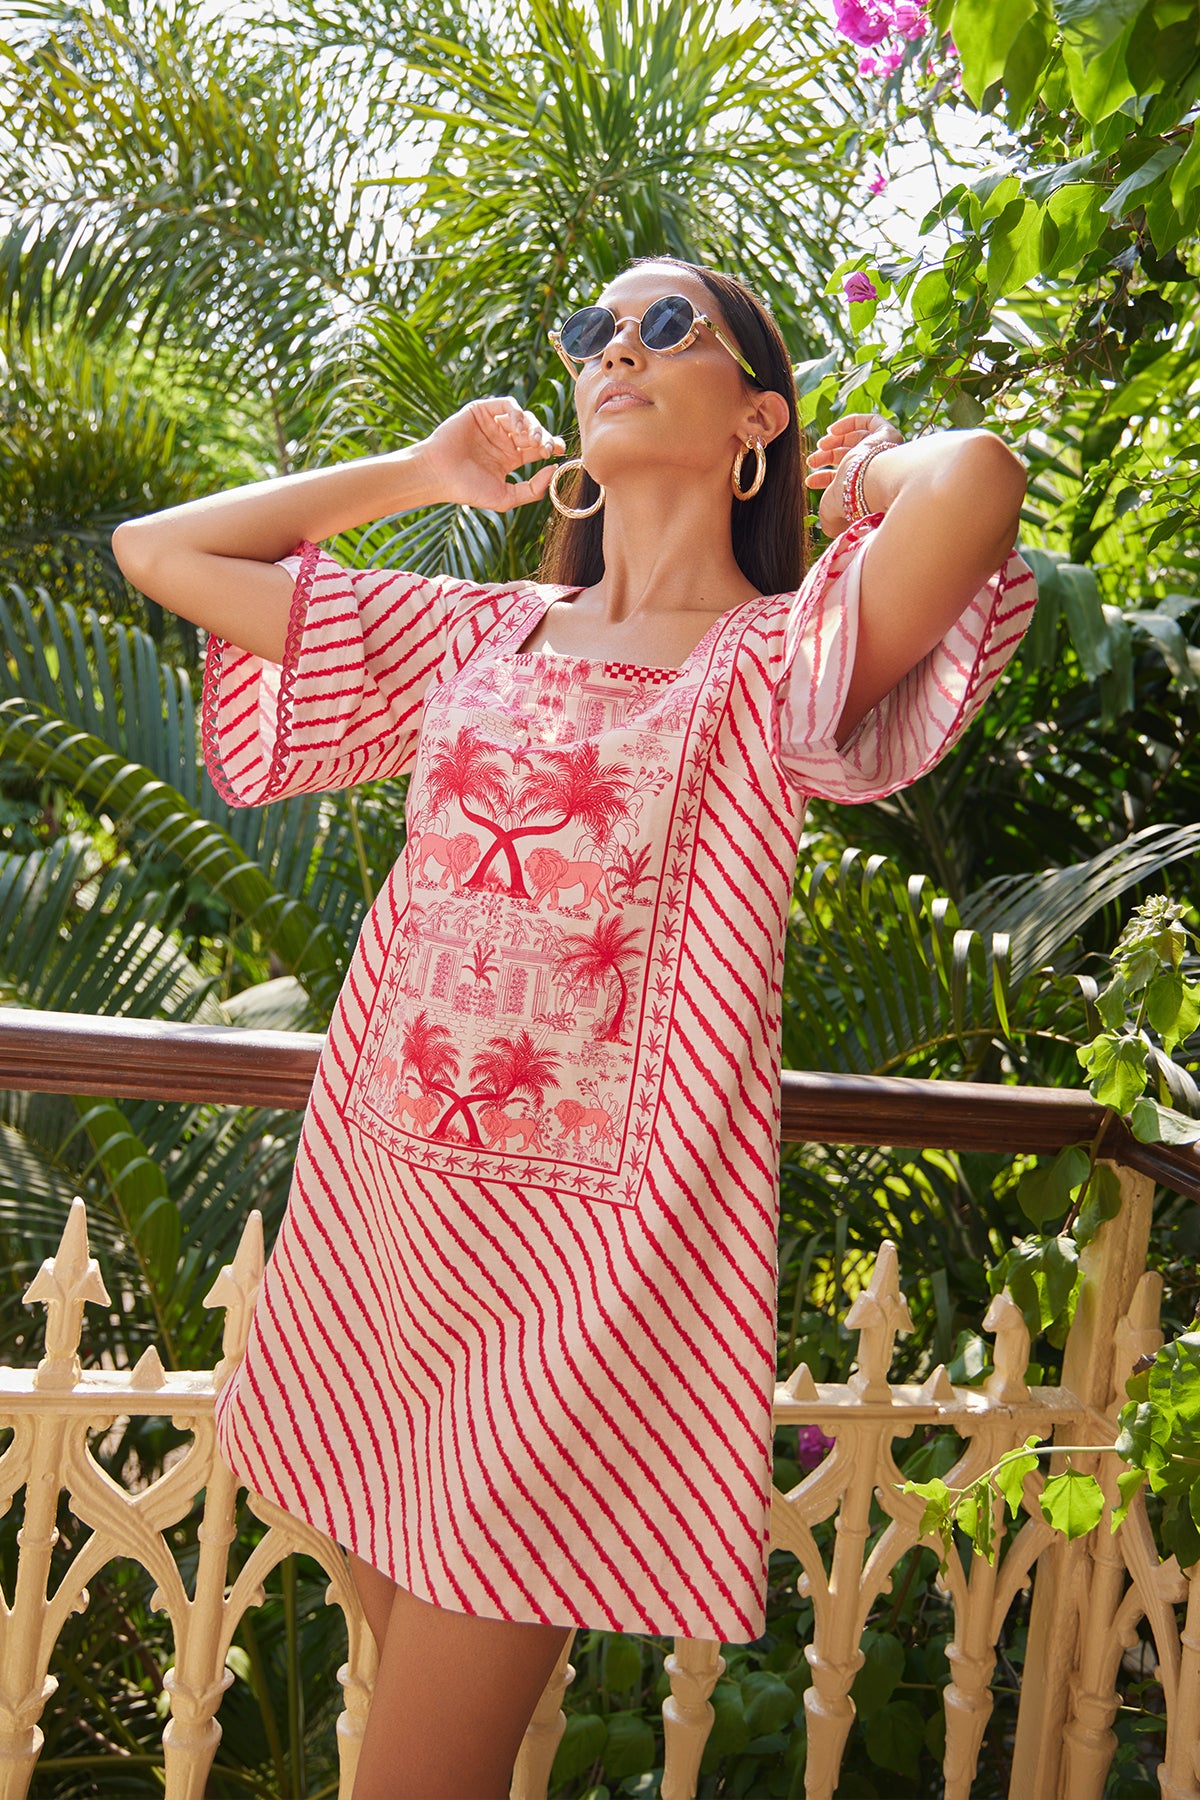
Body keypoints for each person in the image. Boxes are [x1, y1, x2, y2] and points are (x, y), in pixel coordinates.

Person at [113, 255, 1035, 1800]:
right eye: (589, 331)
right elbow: (164, 548)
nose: (614, 347)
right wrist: (423, 471)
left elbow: (984, 484)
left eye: (665, 324)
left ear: (755, 416)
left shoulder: (774, 662)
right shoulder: (482, 633)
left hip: (586, 1302)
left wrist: (852, 462)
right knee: (401, 1748)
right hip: (386, 1248)